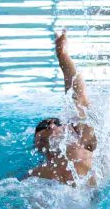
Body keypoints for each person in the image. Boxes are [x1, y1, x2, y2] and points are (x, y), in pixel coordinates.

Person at [27, 31, 98, 186]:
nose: (51, 126)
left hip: (91, 194)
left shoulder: (84, 140)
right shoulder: (34, 175)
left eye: (57, 123)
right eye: (43, 127)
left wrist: (62, 55)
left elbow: (78, 96)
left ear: (71, 130)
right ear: (37, 144)